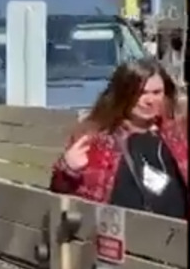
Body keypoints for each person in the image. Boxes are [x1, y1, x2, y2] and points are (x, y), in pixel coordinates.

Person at [50, 58, 188, 216]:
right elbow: (63, 197)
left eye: (157, 92)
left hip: (176, 228)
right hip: (121, 228)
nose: (150, 100)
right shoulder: (98, 138)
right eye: (140, 93)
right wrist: (68, 170)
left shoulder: (177, 134)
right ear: (123, 94)